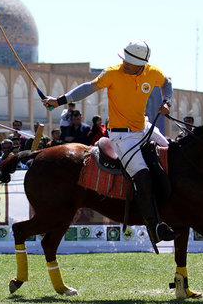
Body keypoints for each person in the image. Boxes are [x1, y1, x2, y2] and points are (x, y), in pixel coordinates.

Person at [43, 39, 178, 248]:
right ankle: (155, 227)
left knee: (174, 156)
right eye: (125, 59)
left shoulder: (153, 72)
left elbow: (166, 82)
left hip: (143, 127)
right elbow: (88, 88)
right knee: (142, 177)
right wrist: (60, 100)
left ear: (142, 64)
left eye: (130, 61)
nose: (125, 63)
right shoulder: (112, 73)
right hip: (122, 136)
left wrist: (166, 101)